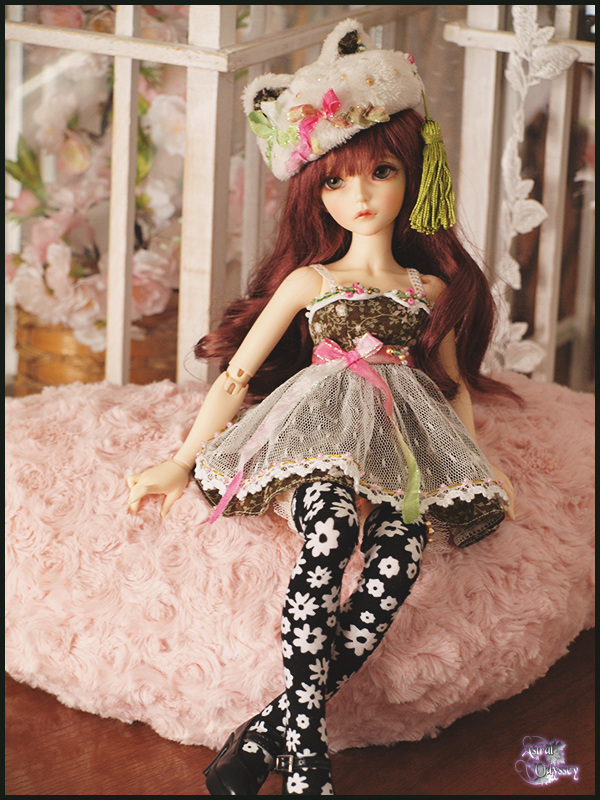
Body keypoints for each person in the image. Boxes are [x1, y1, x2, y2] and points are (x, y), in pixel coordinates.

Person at [127, 19, 516, 795]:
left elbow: (452, 387)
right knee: (330, 532)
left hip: (404, 441)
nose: (360, 196)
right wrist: (180, 460)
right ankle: (307, 753)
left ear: (414, 174)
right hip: (315, 430)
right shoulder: (312, 282)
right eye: (337, 182)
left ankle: (270, 730)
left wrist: (481, 466)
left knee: (399, 559)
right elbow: (237, 377)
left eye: (381, 172)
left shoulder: (428, 288)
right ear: (315, 192)